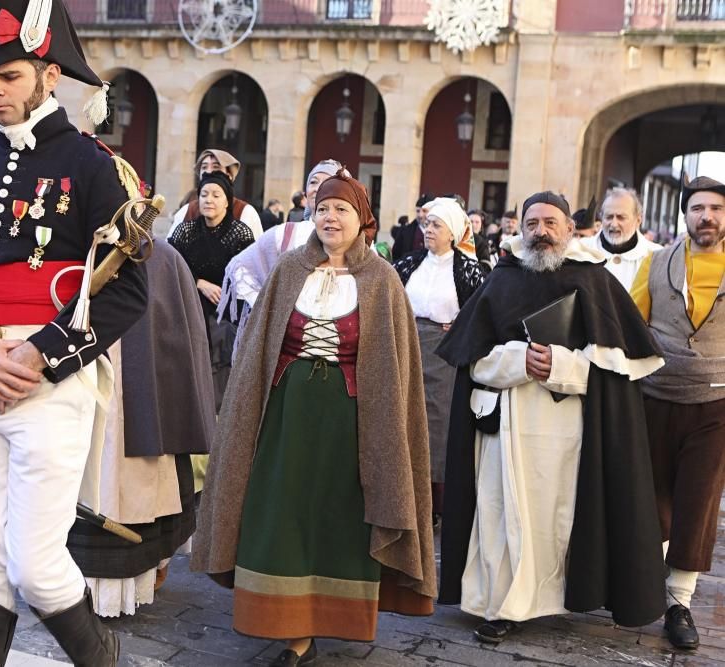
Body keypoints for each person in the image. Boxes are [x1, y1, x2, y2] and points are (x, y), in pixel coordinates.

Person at [0, 0, 147, 663]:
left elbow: (126, 290)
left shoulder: (96, 168)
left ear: (48, 74)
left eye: (8, 76)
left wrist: (38, 355)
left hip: (46, 385)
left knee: (36, 564)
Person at [192, 170, 437, 666]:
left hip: (352, 426)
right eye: (323, 208)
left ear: (362, 220)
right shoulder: (288, 270)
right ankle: (290, 629)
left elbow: (397, 371)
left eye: (341, 209)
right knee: (282, 514)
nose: (330, 217)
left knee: (336, 518)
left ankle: (331, 616)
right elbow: (256, 350)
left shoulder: (383, 281)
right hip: (284, 420)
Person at [435, 191, 668, 644]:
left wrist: (561, 367)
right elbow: (473, 361)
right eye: (532, 223)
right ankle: (503, 605)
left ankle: (553, 598)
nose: (541, 231)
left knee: (554, 519)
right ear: (520, 229)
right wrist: (519, 361)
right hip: (503, 425)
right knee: (499, 517)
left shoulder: (593, 280)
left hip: (565, 430)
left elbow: (613, 369)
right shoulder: (500, 279)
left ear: (568, 228)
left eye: (550, 222)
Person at [67, 239, 216, 617]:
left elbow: (177, 342)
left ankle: (125, 586)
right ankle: (68, 589)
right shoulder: (68, 244)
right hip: (73, 396)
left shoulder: (160, 257)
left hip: (136, 404)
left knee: (133, 485)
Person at [630, 175, 725, 651]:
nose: (707, 216)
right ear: (684, 215)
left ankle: (679, 602)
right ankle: (649, 584)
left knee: (698, 502)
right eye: (698, 208)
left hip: (715, 405)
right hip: (656, 395)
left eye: (716, 209)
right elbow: (631, 320)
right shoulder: (657, 261)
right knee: (654, 497)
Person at [394, 198, 486, 526]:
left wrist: (458, 326)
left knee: (437, 424)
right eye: (427, 224)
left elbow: (480, 313)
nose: (428, 230)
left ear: (453, 233)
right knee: (402, 416)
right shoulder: (408, 263)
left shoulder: (469, 269)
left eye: (436, 225)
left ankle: (433, 503)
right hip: (406, 344)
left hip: (443, 353)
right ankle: (402, 495)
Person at [169, 171, 255, 410]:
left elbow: (248, 277)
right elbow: (172, 269)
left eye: (216, 195)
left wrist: (223, 291)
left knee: (222, 366)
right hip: (191, 306)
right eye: (204, 194)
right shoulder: (185, 232)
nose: (209, 200)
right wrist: (199, 282)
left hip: (227, 312)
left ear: (227, 201)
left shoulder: (240, 234)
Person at [218, 160, 344, 321]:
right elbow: (240, 267)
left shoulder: (356, 239)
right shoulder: (286, 232)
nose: (317, 187)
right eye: (313, 182)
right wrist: (268, 311)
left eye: (326, 181)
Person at [167, 149, 263, 238]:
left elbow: (258, 253)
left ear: (229, 176)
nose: (209, 171)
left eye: (216, 167)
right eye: (204, 167)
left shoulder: (246, 212)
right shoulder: (187, 211)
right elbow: (170, 252)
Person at [583, 187, 661, 292]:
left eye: (621, 217)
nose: (614, 224)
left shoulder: (657, 257)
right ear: (601, 217)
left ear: (638, 220)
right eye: (609, 217)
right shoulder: (581, 249)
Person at [391, 193, 432, 260]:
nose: (420, 215)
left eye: (424, 211)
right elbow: (396, 255)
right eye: (418, 211)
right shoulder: (404, 232)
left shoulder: (438, 233)